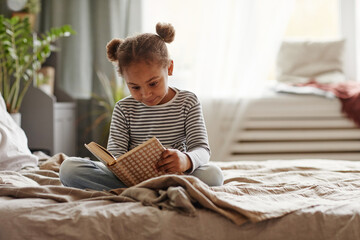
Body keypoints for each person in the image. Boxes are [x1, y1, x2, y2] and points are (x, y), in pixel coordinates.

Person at [59, 22, 224, 191]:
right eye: (135, 87)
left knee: (213, 175)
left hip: (176, 174)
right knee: (69, 168)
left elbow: (202, 149)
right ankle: (154, 189)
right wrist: (128, 167)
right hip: (130, 179)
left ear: (169, 68)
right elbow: (115, 156)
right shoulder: (123, 109)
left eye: (153, 83)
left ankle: (140, 190)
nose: (146, 94)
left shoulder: (188, 102)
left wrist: (185, 160)